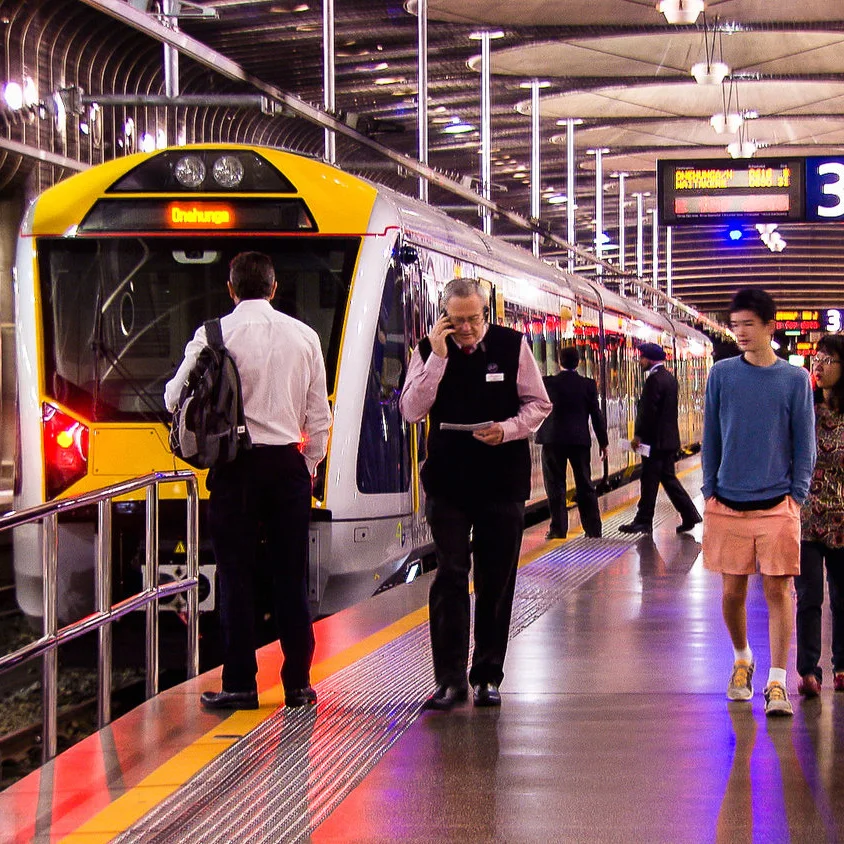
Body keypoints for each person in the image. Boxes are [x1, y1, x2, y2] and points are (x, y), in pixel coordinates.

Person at [165, 251, 332, 710]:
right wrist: (309, 466)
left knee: (235, 579)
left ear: (232, 288)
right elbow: (319, 416)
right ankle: (298, 683)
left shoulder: (213, 334)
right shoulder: (305, 337)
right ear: (274, 289)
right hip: (288, 468)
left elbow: (173, 395)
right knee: (289, 578)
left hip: (235, 468)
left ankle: (240, 684)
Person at [399, 278, 551, 710]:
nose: (466, 328)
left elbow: (538, 404)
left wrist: (507, 430)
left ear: (486, 312)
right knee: (450, 574)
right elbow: (411, 410)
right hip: (448, 481)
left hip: (502, 480)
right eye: (457, 320)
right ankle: (448, 680)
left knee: (495, 580)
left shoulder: (512, 345)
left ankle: (487, 675)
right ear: (444, 316)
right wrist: (439, 360)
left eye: (473, 319)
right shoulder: (428, 351)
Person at [702, 287, 816, 717]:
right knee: (732, 592)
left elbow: (804, 442)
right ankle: (742, 657)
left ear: (771, 327)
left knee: (779, 590)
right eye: (735, 326)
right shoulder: (722, 375)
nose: (741, 333)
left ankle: (777, 681)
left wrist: (797, 496)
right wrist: (709, 489)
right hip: (727, 501)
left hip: (777, 503)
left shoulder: (794, 380)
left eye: (749, 324)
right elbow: (711, 436)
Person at [795, 334, 844, 698]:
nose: (819, 365)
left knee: (843, 597)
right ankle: (808, 670)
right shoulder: (804, 408)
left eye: (828, 359)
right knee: (809, 596)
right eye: (817, 358)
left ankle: (842, 665)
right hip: (807, 519)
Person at [619, 342, 702, 534]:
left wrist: (638, 435)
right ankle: (690, 514)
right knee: (668, 479)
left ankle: (644, 521)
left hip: (655, 442)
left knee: (649, 481)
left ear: (649, 358)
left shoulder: (654, 380)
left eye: (641, 358)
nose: (640, 361)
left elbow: (649, 412)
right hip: (668, 440)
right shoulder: (669, 378)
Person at [536, 345, 608, 540]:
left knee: (555, 485)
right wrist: (604, 442)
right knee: (585, 484)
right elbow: (596, 415)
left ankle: (558, 529)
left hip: (552, 441)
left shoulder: (547, 383)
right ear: (578, 363)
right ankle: (593, 529)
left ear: (559, 362)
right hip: (579, 441)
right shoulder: (588, 385)